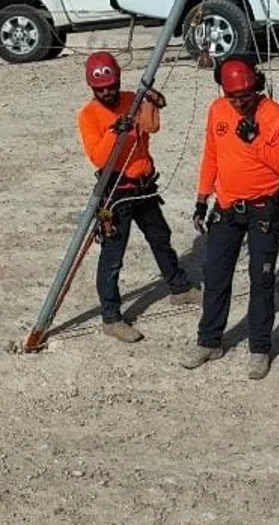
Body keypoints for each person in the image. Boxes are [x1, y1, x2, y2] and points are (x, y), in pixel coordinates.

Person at [181, 57, 279, 380]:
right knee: (216, 274)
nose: (241, 102)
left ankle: (260, 348)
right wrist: (202, 198)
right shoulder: (218, 110)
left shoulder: (272, 114)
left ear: (255, 87)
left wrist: (255, 141)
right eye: (234, 97)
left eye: (246, 95)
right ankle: (209, 341)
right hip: (227, 207)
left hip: (264, 209)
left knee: (261, 279)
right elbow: (211, 155)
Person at [76, 51, 201, 343]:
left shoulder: (131, 99)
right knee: (113, 256)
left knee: (161, 237)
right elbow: (99, 158)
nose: (107, 92)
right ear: (92, 88)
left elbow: (152, 127)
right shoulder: (88, 115)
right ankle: (111, 317)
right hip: (117, 192)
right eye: (101, 88)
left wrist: (151, 105)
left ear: (118, 81)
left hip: (144, 186)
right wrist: (113, 132)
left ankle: (180, 289)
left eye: (111, 85)